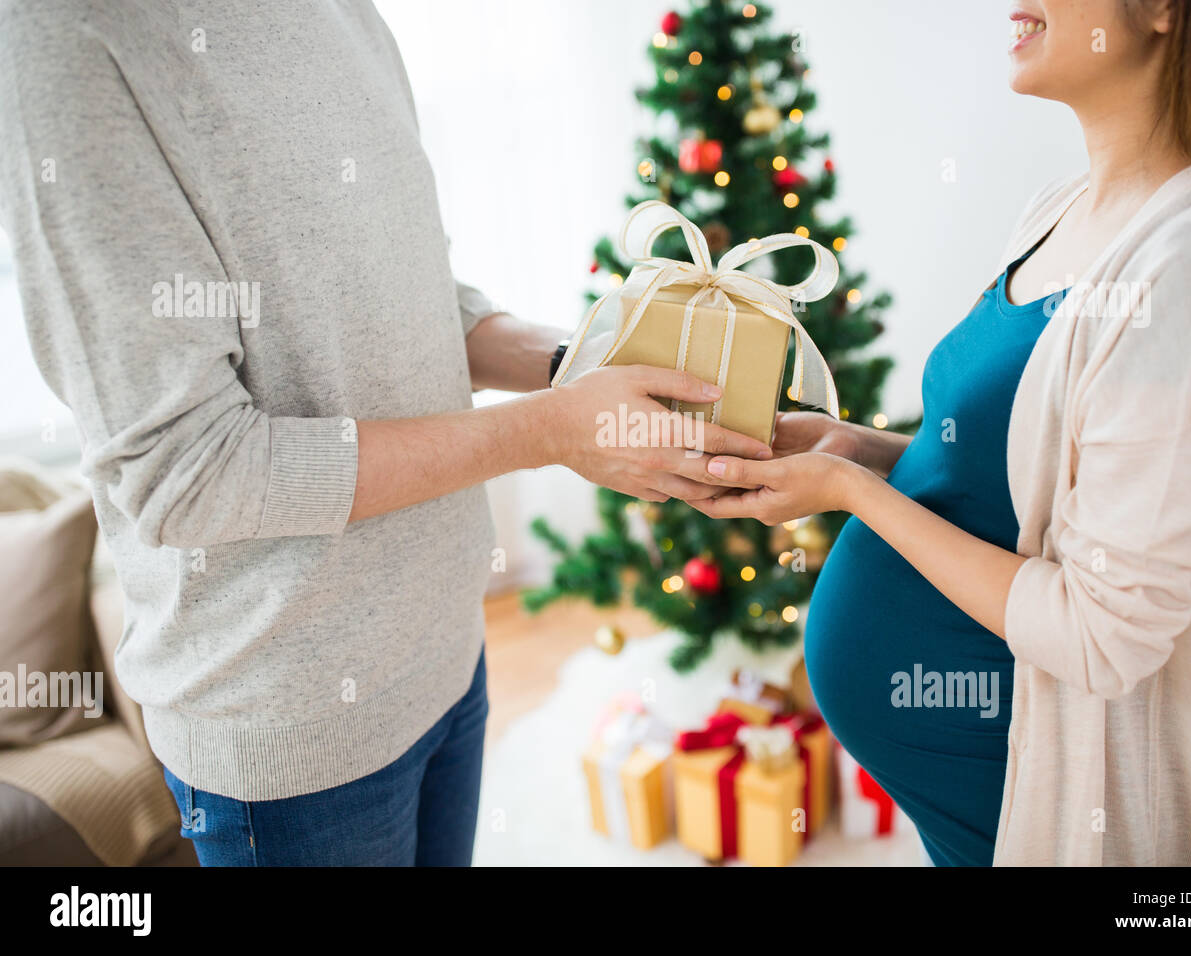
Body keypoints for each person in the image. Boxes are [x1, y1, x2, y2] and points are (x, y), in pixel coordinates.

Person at [0, 0, 769, 866]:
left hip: (447, 649)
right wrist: (552, 431)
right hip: (292, 737)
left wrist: (580, 367)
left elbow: (404, 299)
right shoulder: (72, 35)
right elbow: (187, 472)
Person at [689, 0, 1191, 865]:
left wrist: (850, 493)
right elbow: (1018, 490)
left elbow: (1103, 634)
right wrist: (858, 449)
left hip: (1052, 802)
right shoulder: (1065, 208)